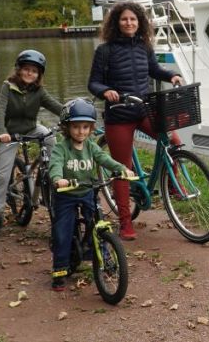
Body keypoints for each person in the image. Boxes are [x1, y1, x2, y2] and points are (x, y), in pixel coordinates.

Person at [87, 2, 182, 240]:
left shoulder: (143, 46)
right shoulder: (105, 51)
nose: (129, 23)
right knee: (123, 169)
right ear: (116, 23)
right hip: (119, 115)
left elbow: (154, 70)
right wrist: (105, 91)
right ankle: (125, 222)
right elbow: (94, 82)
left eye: (133, 19)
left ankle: (173, 185)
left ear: (139, 22)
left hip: (143, 109)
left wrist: (172, 75)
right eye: (124, 19)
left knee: (173, 139)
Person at [48, 99, 133, 291]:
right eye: (76, 127)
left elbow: (104, 158)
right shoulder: (62, 148)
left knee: (97, 224)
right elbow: (55, 164)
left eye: (85, 127)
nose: (81, 132)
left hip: (87, 191)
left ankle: (106, 258)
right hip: (66, 194)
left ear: (91, 128)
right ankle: (60, 269)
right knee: (63, 231)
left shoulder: (91, 146)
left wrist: (121, 169)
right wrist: (57, 178)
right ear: (67, 127)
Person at [0, 49, 64, 237]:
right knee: (2, 175)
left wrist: (75, 115)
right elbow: (0, 111)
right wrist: (2, 131)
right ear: (19, 70)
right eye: (27, 69)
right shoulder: (8, 87)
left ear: (39, 74)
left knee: (49, 136)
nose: (30, 73)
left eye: (34, 71)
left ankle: (49, 166)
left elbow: (56, 106)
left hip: (31, 129)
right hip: (11, 134)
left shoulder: (39, 91)